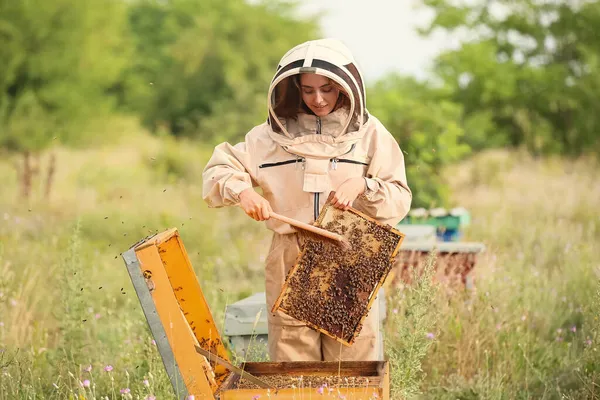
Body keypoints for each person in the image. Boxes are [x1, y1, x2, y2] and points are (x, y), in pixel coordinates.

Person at [202, 38, 412, 361]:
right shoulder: (267, 137)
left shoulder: (371, 135)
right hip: (289, 255)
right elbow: (220, 167)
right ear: (293, 88)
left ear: (344, 87)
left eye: (327, 89)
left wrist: (362, 185)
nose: (318, 99)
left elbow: (399, 196)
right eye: (308, 89)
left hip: (349, 253)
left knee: (353, 365)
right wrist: (244, 193)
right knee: (293, 367)